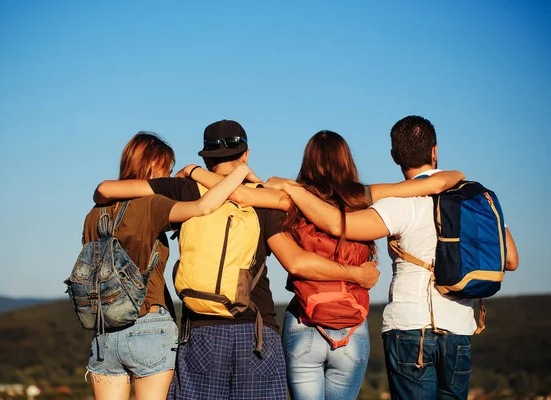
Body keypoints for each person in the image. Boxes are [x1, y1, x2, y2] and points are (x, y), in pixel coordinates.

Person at [93, 120, 380, 400]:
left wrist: (183, 176)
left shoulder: (183, 188)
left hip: (200, 331)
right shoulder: (262, 200)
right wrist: (354, 273)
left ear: (206, 158)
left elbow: (107, 189)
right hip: (255, 331)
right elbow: (295, 262)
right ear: (246, 154)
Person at [180, 129, 465, 400]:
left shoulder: (289, 198)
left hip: (305, 321)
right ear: (346, 161)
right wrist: (460, 175)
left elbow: (238, 193)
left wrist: (194, 171)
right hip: (351, 326)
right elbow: (439, 182)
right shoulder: (362, 197)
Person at [264, 116, 520, 400]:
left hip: (409, 325)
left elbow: (338, 224)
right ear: (435, 151)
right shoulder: (477, 198)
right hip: (459, 326)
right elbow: (510, 260)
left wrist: (294, 190)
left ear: (394, 156)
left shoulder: (397, 205)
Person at [83, 131, 265, 400]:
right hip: (149, 324)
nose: (168, 174)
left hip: (104, 331)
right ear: (153, 165)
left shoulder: (93, 214)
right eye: (166, 168)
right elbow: (203, 207)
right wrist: (240, 174)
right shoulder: (152, 204)